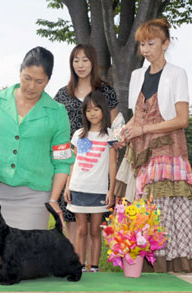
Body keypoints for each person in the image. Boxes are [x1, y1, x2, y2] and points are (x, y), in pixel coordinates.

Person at [116, 18, 192, 273]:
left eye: (151, 43)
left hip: (167, 150)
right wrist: (124, 132)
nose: (145, 49)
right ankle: (143, 268)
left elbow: (181, 120)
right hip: (140, 152)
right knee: (141, 210)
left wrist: (143, 129)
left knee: (164, 208)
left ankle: (170, 267)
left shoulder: (177, 73)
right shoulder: (137, 75)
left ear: (165, 44)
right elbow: (136, 117)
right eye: (142, 44)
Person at [0, 46, 74, 231]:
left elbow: (63, 161)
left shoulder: (57, 112)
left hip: (33, 198)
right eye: (27, 78)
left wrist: (53, 199)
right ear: (20, 72)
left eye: (39, 81)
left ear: (48, 80)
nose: (32, 86)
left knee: (22, 257)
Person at [54, 44, 119, 266]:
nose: (80, 65)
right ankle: (74, 264)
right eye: (75, 60)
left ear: (93, 62)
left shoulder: (106, 92)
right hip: (71, 166)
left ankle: (93, 267)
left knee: (94, 227)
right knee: (72, 218)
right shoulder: (63, 93)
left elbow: (116, 127)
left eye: (85, 60)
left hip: (98, 175)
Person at [64, 91, 117, 273]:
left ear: (104, 110)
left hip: (99, 190)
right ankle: (79, 266)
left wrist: (111, 190)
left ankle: (93, 266)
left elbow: (112, 163)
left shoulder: (110, 136)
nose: (92, 113)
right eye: (88, 110)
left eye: (96, 109)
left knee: (95, 230)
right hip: (78, 188)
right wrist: (67, 186)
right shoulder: (79, 135)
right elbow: (73, 162)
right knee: (81, 230)